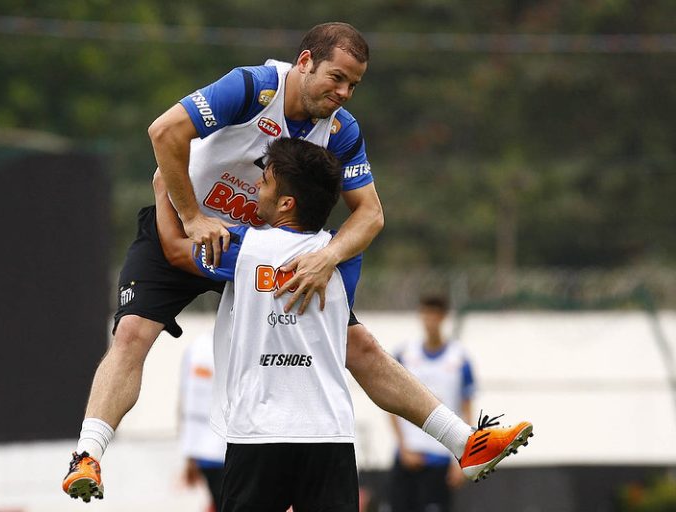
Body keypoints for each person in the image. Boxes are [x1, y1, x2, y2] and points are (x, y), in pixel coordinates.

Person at [62, 22, 533, 503]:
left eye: (354, 84)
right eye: (337, 78)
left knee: (360, 346)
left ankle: (466, 443)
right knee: (132, 333)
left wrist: (327, 257)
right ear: (305, 62)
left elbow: (370, 214)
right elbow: (164, 132)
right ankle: (88, 456)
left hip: (258, 246)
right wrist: (191, 214)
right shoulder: (251, 88)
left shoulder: (341, 131)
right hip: (189, 225)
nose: (345, 93)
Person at [165, 137, 363, 511]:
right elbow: (365, 223)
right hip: (328, 431)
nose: (257, 185)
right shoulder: (344, 257)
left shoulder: (244, 247)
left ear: (287, 202)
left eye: (266, 181)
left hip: (258, 432)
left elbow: (175, 249)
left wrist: (164, 189)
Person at [388, 295, 474, 512]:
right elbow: (391, 403)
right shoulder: (405, 355)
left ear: (444, 317)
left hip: (440, 459)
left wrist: (462, 459)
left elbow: (467, 410)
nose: (430, 320)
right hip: (409, 456)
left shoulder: (459, 359)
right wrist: (403, 446)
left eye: (435, 315)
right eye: (426, 314)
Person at [179, 328, 226, 510]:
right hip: (231, 452)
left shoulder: (197, 347)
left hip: (207, 452)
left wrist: (189, 453)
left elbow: (185, 400)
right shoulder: (245, 341)